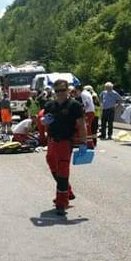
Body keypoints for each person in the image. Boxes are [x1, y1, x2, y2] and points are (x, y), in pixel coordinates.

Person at [42, 79, 87, 216]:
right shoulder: (50, 105)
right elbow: (45, 120)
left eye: (62, 90)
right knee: (51, 163)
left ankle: (61, 202)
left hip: (65, 142)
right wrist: (44, 122)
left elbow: (81, 125)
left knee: (62, 171)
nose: (60, 93)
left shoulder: (74, 105)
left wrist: (83, 143)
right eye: (57, 91)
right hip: (51, 141)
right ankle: (67, 190)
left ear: (68, 90)